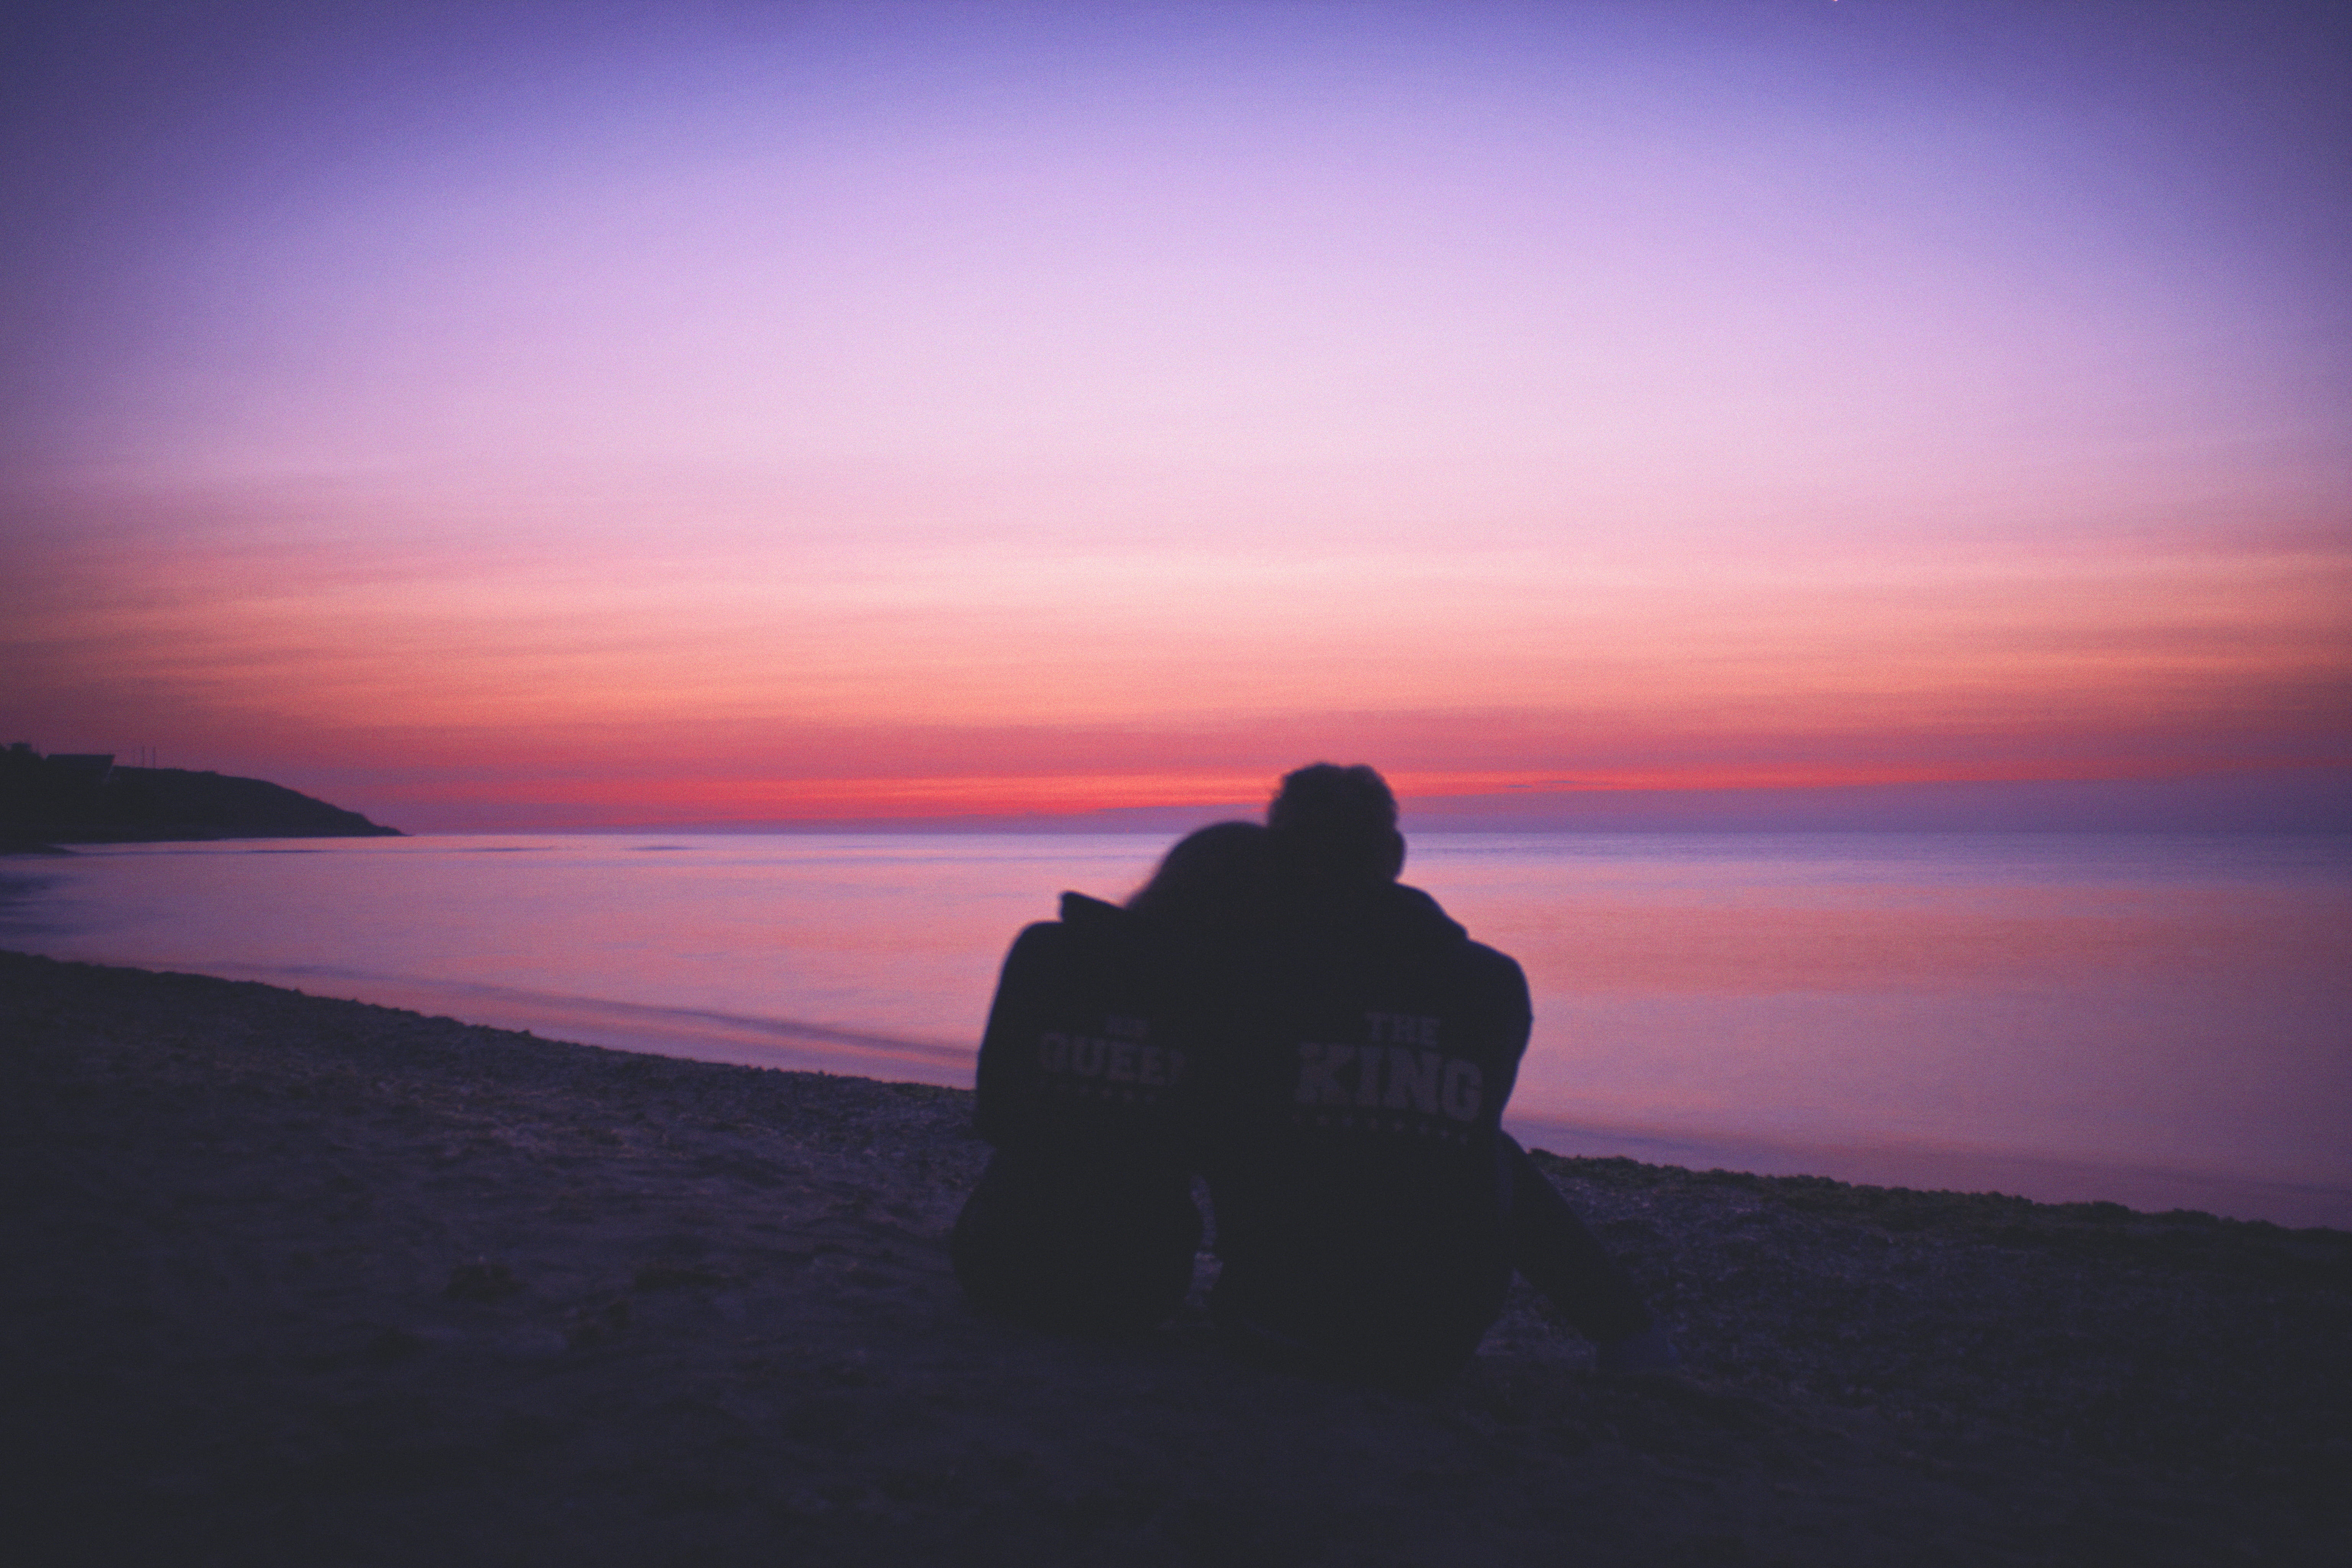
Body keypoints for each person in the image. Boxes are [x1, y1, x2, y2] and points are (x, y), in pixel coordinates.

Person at [1202, 763, 1674, 1383]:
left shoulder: (1251, 976)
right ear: (1395, 854)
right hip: (1438, 1333)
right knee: (1484, 1146)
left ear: (1280, 859)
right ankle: (1626, 1330)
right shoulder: (1492, 982)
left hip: (1278, 1317)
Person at [951, 821, 1269, 1334]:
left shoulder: (1045, 950)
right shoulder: (1228, 999)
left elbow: (994, 1114)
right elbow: (1224, 1156)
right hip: (1137, 1285)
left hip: (995, 1259)